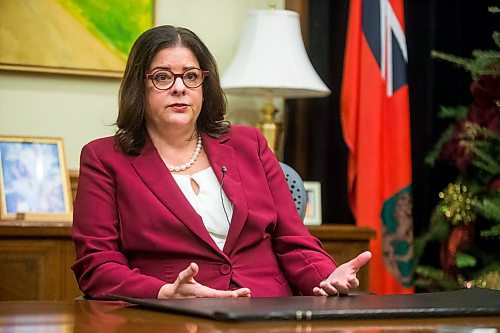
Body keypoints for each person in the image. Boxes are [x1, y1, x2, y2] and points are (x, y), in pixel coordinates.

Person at [71, 25, 371, 299]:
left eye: (191, 76)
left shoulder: (248, 144)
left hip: (267, 310)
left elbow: (292, 238)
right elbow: (97, 265)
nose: (179, 87)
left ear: (204, 84)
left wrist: (327, 275)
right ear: (140, 85)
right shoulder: (104, 158)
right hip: (172, 317)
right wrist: (163, 292)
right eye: (162, 77)